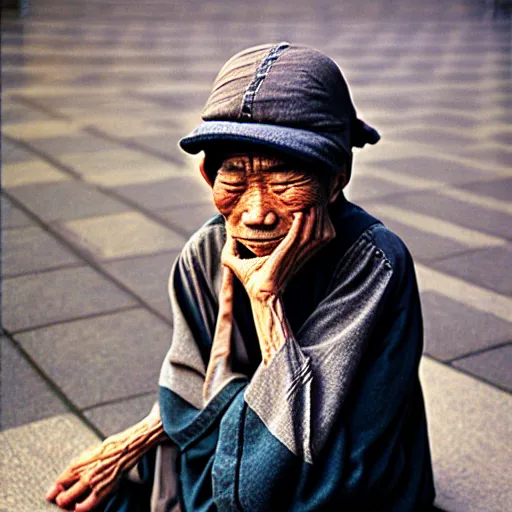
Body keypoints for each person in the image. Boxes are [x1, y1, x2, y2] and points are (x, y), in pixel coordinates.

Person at [47, 42, 435, 511]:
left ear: (337, 178)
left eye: (283, 179)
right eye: (234, 175)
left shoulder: (373, 264)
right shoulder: (206, 252)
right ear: (208, 176)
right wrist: (133, 441)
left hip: (343, 458)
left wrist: (266, 301)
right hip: (247, 431)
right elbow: (189, 393)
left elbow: (318, 443)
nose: (256, 213)